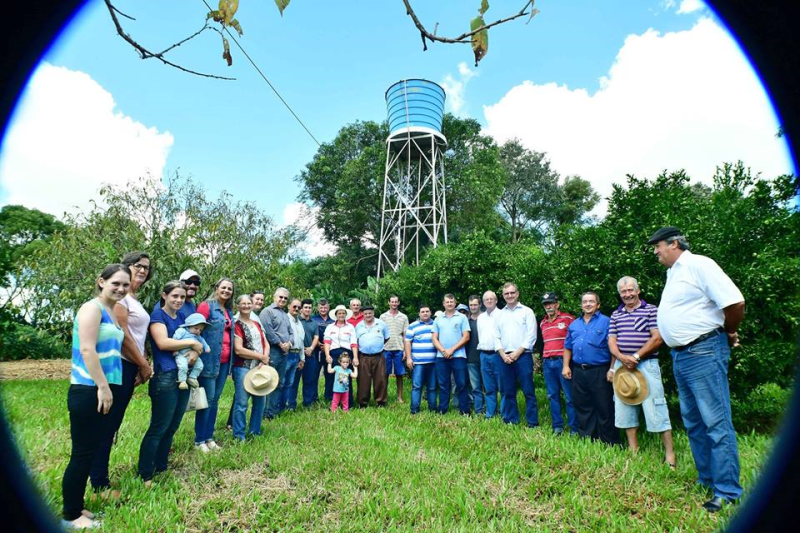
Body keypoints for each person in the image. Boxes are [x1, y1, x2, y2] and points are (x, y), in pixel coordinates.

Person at [649, 226, 745, 512]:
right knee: (693, 421)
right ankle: (707, 479)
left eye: (658, 246)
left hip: (703, 350)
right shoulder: (673, 273)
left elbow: (734, 302)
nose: (655, 252)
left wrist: (730, 332)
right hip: (682, 355)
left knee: (715, 421)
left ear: (674, 243)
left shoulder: (700, 264)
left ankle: (727, 490)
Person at [61, 264, 130, 530]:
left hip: (103, 388)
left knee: (90, 451)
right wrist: (102, 387)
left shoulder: (112, 311)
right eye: (116, 283)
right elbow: (88, 350)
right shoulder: (92, 308)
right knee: (81, 453)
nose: (121, 288)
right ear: (101, 281)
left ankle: (77, 506)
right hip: (89, 388)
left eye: (125, 284)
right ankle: (70, 514)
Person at [89, 252, 153, 500]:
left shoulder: (133, 298)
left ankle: (99, 477)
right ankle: (99, 483)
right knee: (106, 424)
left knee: (113, 424)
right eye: (138, 265)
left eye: (147, 268)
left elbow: (138, 336)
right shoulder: (121, 298)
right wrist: (144, 365)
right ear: (125, 266)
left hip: (129, 367)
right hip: (119, 364)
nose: (143, 271)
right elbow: (124, 335)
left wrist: (140, 364)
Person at [138, 280, 202, 484]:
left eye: (182, 297)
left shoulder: (183, 317)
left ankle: (161, 466)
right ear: (164, 295)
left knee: (173, 425)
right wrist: (191, 343)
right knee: (159, 426)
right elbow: (163, 342)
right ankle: (145, 473)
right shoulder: (158, 315)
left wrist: (194, 349)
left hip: (182, 376)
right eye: (174, 296)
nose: (178, 300)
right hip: (165, 376)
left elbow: (197, 340)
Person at [609, 276, 676, 467]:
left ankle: (670, 454)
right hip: (622, 366)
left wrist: (636, 356)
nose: (627, 294)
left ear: (638, 290)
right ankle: (634, 451)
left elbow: (657, 338)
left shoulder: (651, 310)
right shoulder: (616, 314)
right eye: (623, 291)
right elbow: (611, 341)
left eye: (630, 290)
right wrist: (622, 358)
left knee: (657, 407)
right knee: (625, 407)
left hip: (646, 364)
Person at [563, 292, 619, 444]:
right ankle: (588, 439)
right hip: (579, 371)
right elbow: (568, 347)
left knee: (604, 406)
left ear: (598, 305)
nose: (588, 304)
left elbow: (613, 347)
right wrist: (566, 366)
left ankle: (608, 441)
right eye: (585, 302)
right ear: (581, 305)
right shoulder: (574, 325)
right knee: (583, 406)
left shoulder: (607, 321)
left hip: (600, 370)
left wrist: (612, 369)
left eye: (591, 301)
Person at [194, 277, 235, 452]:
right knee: (207, 400)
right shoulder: (206, 306)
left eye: (230, 289)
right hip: (209, 361)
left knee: (215, 400)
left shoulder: (228, 311)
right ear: (217, 288)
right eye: (223, 287)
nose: (226, 291)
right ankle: (199, 440)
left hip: (224, 362)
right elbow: (196, 330)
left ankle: (209, 437)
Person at [494, 283, 539, 428]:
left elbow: (531, 335)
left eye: (512, 293)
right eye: (506, 294)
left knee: (528, 390)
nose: (510, 296)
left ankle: (532, 422)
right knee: (508, 391)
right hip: (504, 357)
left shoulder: (527, 312)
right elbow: (496, 336)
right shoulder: (500, 314)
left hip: (523, 355)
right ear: (503, 296)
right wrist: (503, 354)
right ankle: (512, 420)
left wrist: (517, 353)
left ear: (517, 293)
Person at [231, 294, 270, 441]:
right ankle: (239, 436)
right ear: (238, 306)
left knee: (260, 401)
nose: (247, 306)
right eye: (243, 304)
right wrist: (260, 357)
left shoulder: (256, 323)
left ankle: (255, 431)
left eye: (249, 303)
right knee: (242, 403)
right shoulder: (237, 324)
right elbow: (239, 350)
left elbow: (265, 342)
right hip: (243, 368)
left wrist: (265, 359)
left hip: (260, 367)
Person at [539, 292, 577, 435]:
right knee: (552, 396)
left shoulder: (568, 319)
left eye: (551, 303)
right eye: (546, 304)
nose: (548, 306)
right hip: (548, 363)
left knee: (569, 397)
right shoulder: (542, 323)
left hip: (563, 362)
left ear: (557, 304)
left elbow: (575, 340)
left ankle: (574, 428)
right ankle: (558, 427)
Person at [432, 294, 471, 415]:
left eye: (452, 302)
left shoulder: (462, 318)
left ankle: (464, 410)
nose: (449, 304)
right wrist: (444, 351)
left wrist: (451, 350)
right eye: (447, 302)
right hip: (441, 357)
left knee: (462, 384)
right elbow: (434, 338)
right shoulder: (438, 319)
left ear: (455, 303)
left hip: (458, 356)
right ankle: (442, 410)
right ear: (443, 304)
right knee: (443, 384)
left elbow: (466, 337)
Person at [260, 288, 293, 420]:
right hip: (273, 350)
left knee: (279, 382)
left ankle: (272, 411)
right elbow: (268, 330)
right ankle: (264, 412)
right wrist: (280, 344)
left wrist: (289, 344)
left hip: (284, 352)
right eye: (281, 297)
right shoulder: (267, 311)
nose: (283, 300)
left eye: (285, 298)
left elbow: (291, 332)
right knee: (269, 381)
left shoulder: (285, 314)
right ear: (274, 297)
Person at [323, 305, 359, 407]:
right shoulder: (330, 327)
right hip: (333, 353)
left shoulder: (350, 327)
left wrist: (355, 357)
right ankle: (332, 401)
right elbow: (327, 341)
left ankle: (348, 402)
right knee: (332, 377)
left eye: (343, 313)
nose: (341, 315)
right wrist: (327, 355)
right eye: (339, 313)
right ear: (336, 315)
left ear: (346, 315)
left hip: (347, 354)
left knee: (346, 378)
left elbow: (353, 343)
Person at [405, 305, 438, 414]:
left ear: (430, 312)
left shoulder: (436, 325)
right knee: (417, 386)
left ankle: (432, 409)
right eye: (422, 311)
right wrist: (409, 358)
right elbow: (407, 342)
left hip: (433, 362)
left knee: (432, 387)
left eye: (427, 311)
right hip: (418, 362)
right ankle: (414, 410)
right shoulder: (412, 326)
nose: (425, 313)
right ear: (419, 314)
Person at [355, 305, 390, 408]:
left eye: (370, 313)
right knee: (363, 380)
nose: (368, 315)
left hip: (379, 356)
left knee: (381, 379)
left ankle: (381, 402)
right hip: (363, 356)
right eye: (365, 314)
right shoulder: (359, 326)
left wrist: (376, 345)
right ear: (363, 314)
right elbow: (356, 341)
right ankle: (363, 403)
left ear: (373, 313)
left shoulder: (381, 324)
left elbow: (386, 338)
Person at [477, 290, 503, 419]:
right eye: (486, 299)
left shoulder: (502, 315)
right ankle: (490, 413)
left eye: (491, 299)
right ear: (483, 302)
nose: (489, 301)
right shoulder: (481, 317)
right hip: (484, 355)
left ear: (496, 300)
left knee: (502, 386)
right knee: (489, 387)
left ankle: (505, 413)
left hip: (498, 354)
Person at [380, 295, 409, 403]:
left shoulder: (403, 317)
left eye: (396, 302)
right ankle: (384, 396)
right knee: (385, 374)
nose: (394, 304)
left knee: (399, 374)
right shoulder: (383, 317)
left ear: (398, 303)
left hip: (399, 348)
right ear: (389, 303)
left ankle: (399, 397)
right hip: (386, 348)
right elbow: (380, 333)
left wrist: (406, 350)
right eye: (392, 302)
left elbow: (406, 335)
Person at [171, 313, 209, 389]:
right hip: (181, 354)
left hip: (193, 353)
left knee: (200, 365)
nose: (198, 331)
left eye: (200, 330)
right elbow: (174, 339)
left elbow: (203, 341)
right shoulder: (182, 331)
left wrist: (207, 347)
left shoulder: (197, 336)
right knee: (183, 366)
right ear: (189, 325)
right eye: (196, 328)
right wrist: (175, 350)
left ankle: (192, 377)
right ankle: (182, 381)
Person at [281, 298, 306, 411]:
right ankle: (276, 407)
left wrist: (302, 359)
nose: (296, 309)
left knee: (290, 383)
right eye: (294, 306)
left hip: (296, 355)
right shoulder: (285, 319)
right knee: (281, 382)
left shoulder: (299, 323)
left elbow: (301, 342)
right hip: (286, 354)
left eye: (298, 307)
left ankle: (286, 406)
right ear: (289, 306)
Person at [298, 298, 321, 407]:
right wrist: (303, 349)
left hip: (310, 354)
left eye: (310, 308)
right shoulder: (296, 321)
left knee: (310, 379)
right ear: (301, 308)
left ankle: (308, 402)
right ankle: (290, 403)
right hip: (298, 354)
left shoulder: (314, 323)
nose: (308, 309)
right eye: (306, 307)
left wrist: (311, 348)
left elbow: (316, 336)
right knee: (293, 381)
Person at [313, 299, 335, 403]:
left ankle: (329, 396)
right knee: (314, 375)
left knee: (330, 374)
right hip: (315, 351)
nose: (323, 309)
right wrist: (318, 343)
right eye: (321, 307)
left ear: (329, 308)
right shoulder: (313, 319)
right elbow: (311, 333)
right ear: (318, 308)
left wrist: (327, 345)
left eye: (325, 307)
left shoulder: (333, 321)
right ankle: (314, 397)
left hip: (329, 351)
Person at [465, 296, 484, 415]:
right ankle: (479, 410)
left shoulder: (486, 319)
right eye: (471, 305)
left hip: (486, 356)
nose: (473, 307)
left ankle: (491, 410)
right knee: (476, 388)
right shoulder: (466, 322)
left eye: (475, 305)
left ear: (480, 305)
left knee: (488, 387)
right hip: (471, 359)